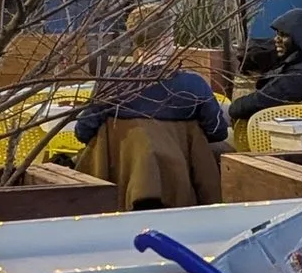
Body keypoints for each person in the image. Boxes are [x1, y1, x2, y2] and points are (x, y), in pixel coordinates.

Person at [72, 53, 229, 207]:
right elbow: (217, 131)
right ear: (169, 39)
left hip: (120, 189)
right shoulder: (193, 85)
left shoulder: (112, 83)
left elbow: (83, 131)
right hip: (180, 188)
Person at [227, 8, 302, 122]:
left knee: (219, 115)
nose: (276, 39)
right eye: (277, 34)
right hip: (279, 126)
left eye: (284, 35)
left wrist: (234, 106)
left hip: (283, 132)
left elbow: (260, 102)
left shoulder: (301, 75)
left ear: (300, 39)